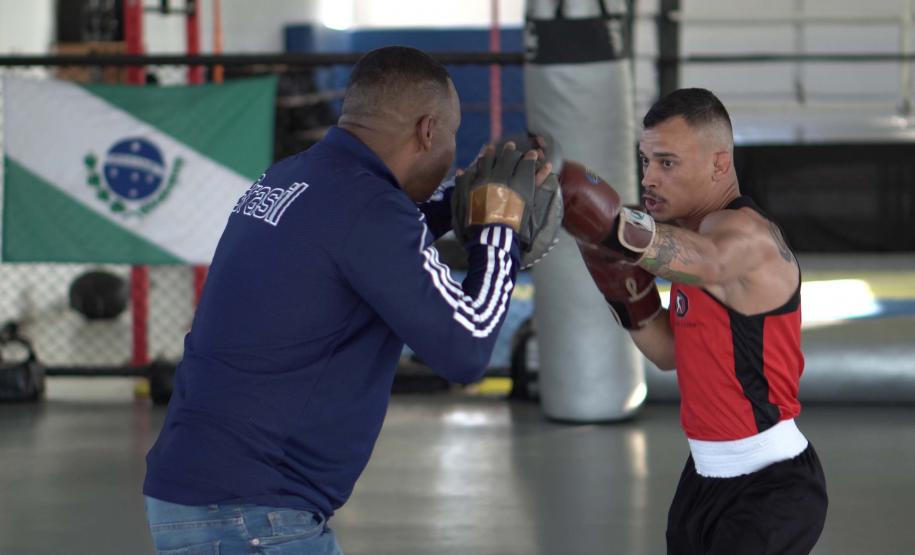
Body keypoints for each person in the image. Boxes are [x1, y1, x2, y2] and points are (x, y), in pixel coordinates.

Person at [143, 46, 555, 554]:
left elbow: (368, 244)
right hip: (255, 515)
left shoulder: (292, 177)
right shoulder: (370, 208)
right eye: (450, 137)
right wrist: (498, 235)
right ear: (428, 131)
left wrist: (459, 204)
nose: (451, 150)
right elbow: (466, 348)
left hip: (202, 497)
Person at [560, 88, 828, 554]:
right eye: (645, 161)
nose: (649, 179)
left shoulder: (745, 235)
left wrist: (606, 225)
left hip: (771, 486)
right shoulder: (690, 233)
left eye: (667, 163)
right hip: (704, 481)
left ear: (719, 164)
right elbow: (668, 353)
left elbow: (710, 262)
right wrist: (622, 287)